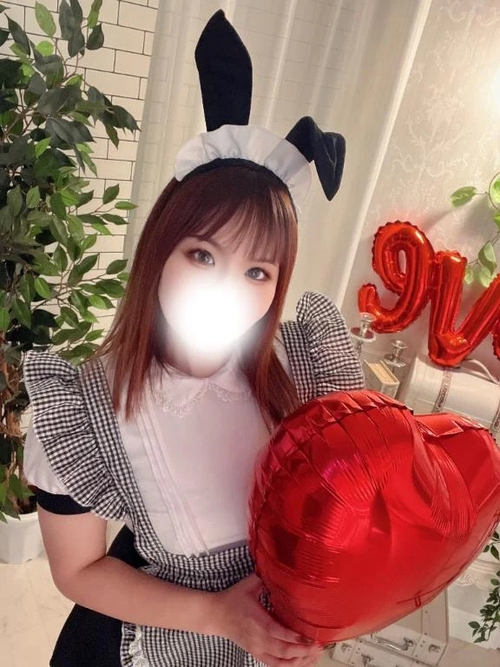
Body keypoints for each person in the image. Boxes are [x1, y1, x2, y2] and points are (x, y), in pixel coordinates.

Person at [22, 11, 365, 667]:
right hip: (149, 640)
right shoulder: (88, 405)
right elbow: (78, 569)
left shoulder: (304, 368)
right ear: (160, 250)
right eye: (203, 255)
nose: (226, 288)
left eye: (258, 271)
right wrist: (218, 615)